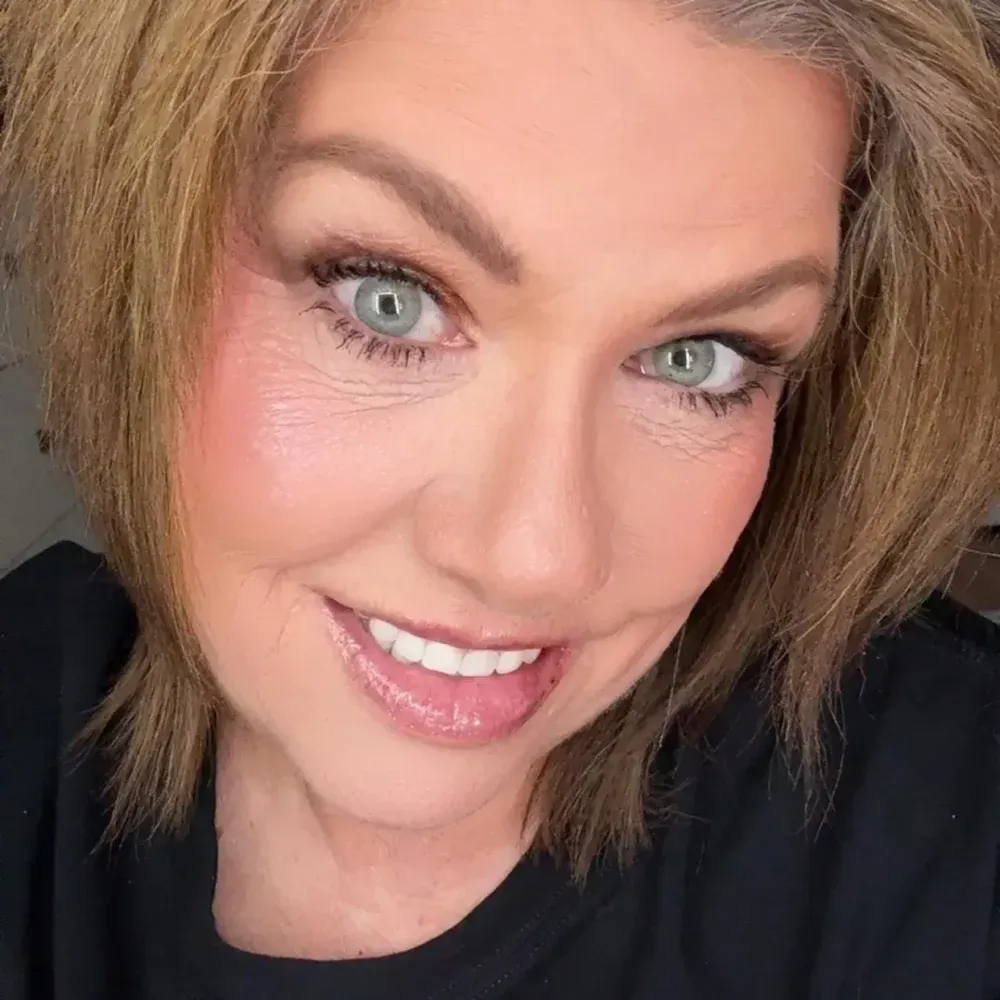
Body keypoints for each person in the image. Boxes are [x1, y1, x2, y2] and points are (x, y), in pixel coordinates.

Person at [1, 0, 999, 997]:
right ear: (133, 266)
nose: (537, 558)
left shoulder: (941, 819)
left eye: (698, 358)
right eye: (387, 298)